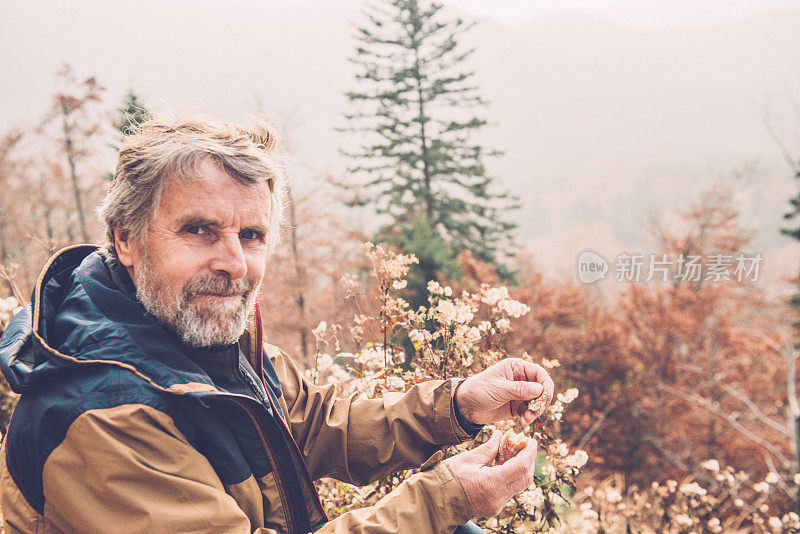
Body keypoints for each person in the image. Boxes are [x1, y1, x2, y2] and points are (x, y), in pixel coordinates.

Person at [0, 117, 554, 533]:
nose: (234, 264)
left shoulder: (199, 339)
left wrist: (459, 405)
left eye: (252, 235)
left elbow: (312, 425)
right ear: (126, 238)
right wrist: (447, 497)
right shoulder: (101, 415)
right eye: (198, 230)